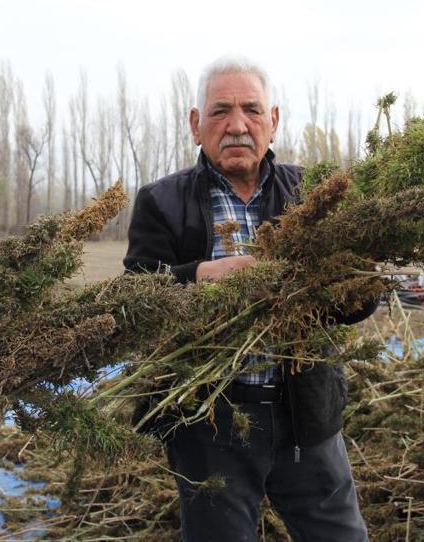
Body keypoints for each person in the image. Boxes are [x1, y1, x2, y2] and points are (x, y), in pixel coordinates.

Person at [124, 55, 372, 541]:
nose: (237, 125)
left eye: (252, 110)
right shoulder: (160, 201)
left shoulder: (313, 195)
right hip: (209, 419)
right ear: (197, 125)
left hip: (305, 414)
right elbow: (134, 298)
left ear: (273, 121)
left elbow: (358, 304)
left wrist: (327, 286)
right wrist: (200, 276)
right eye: (220, 111)